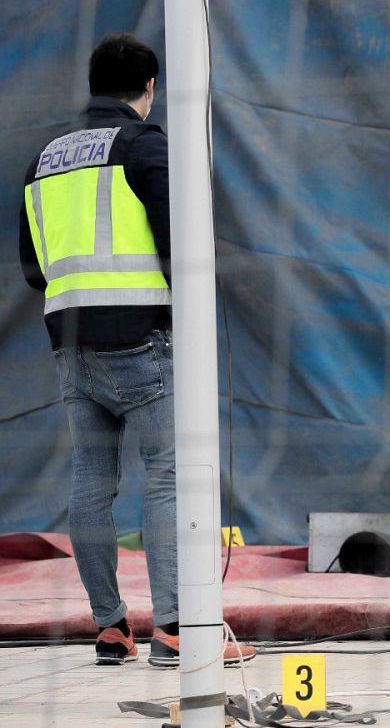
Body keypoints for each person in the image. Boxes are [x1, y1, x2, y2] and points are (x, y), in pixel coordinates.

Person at [18, 34, 254, 668]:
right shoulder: (146, 144)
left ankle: (109, 628)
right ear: (149, 88)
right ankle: (175, 626)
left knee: (91, 482)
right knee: (168, 478)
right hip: (141, 338)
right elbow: (182, 239)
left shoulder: (44, 158)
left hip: (70, 342)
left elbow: (33, 267)